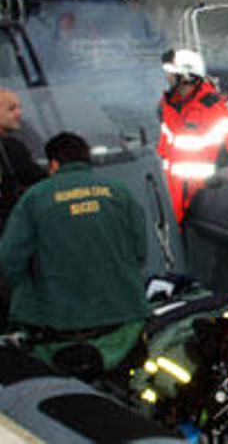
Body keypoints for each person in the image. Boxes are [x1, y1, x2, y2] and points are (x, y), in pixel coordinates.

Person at [0, 132, 149, 372]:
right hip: (124, 323)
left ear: (54, 164)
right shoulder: (120, 192)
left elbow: (9, 261)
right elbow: (140, 252)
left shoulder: (34, 198)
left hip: (59, 330)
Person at [157, 48, 228, 224]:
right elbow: (165, 142)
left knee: (170, 225)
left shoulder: (212, 108)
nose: (167, 78)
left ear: (185, 76)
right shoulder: (169, 104)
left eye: (171, 73)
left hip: (192, 184)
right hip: (167, 179)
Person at [0, 89, 46, 232]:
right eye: (11, 109)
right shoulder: (11, 148)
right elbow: (39, 180)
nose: (19, 113)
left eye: (20, 107)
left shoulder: (23, 134)